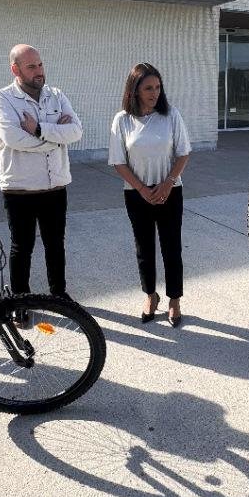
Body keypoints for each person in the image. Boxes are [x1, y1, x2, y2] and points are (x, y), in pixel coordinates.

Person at [0, 44, 82, 317]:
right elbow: (12, 138)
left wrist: (40, 129)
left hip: (55, 185)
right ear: (15, 69)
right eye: (31, 67)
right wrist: (55, 137)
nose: (39, 71)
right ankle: (20, 301)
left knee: (56, 243)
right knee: (22, 246)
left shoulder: (56, 95)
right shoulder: (3, 99)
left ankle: (59, 293)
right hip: (20, 187)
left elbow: (76, 131)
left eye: (40, 64)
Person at [108, 63, 191, 327]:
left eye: (157, 87)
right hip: (136, 195)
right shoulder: (122, 120)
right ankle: (150, 296)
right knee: (144, 249)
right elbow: (119, 162)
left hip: (170, 191)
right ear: (134, 90)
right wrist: (143, 189)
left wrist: (167, 183)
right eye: (148, 88)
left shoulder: (171, 115)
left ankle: (174, 300)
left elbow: (183, 153)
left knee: (171, 248)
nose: (154, 93)